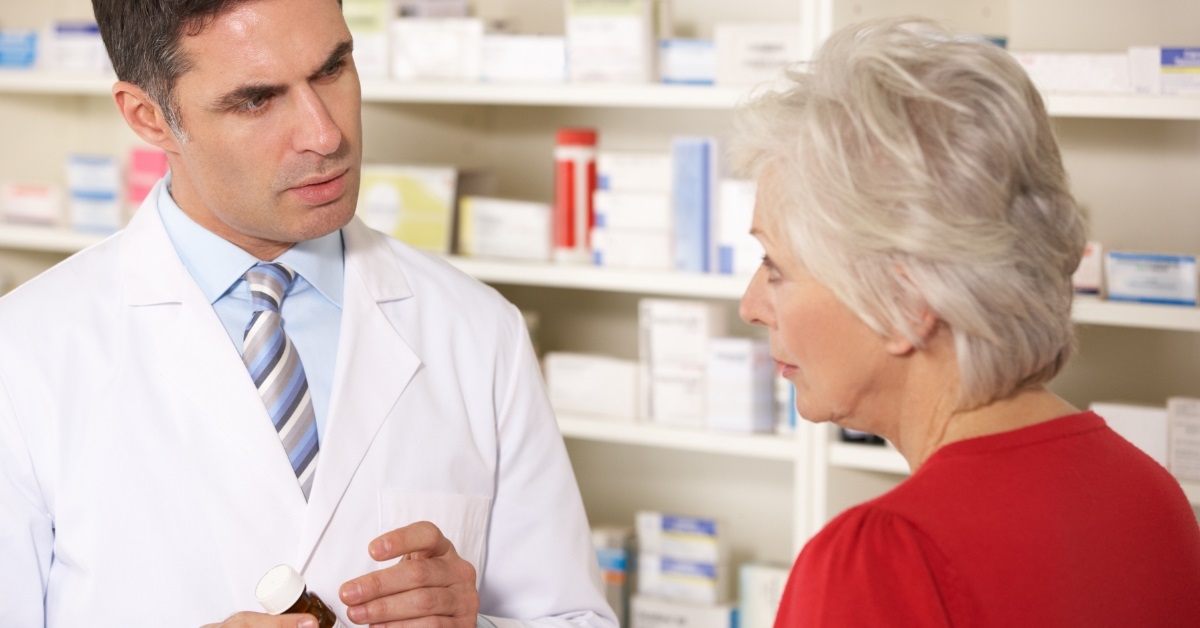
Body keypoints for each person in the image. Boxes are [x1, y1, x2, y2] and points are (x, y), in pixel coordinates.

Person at [0, 1, 616, 627]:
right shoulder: (23, 353)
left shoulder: (481, 331)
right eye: (256, 100)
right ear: (149, 117)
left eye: (332, 68)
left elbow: (574, 619)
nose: (326, 134)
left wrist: (472, 626)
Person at [734, 17, 1200, 627]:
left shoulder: (882, 557)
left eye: (774, 266)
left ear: (907, 304)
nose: (750, 305)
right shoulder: (1150, 495)